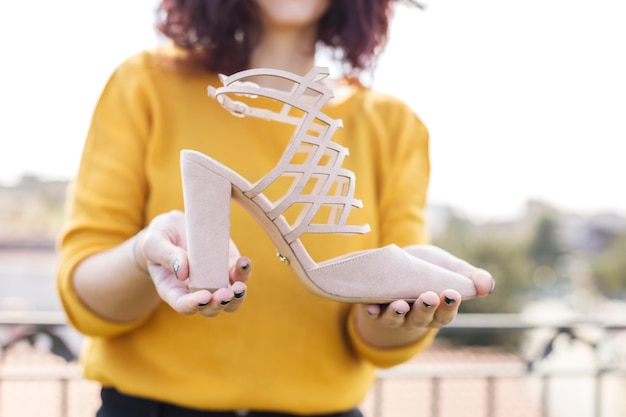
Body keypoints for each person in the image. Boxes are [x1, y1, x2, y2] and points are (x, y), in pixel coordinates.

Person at [56, 1, 495, 416]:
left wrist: (404, 310)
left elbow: (375, 344)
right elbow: (84, 297)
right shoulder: (146, 84)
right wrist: (141, 255)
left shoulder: (394, 125)